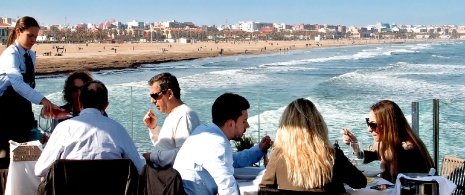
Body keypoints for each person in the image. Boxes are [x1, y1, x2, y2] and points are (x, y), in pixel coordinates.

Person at [35, 80, 145, 176]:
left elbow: (40, 170)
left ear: (80, 102)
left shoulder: (63, 128)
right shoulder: (118, 129)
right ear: (106, 105)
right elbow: (140, 168)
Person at [259, 98, 366, 193]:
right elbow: (360, 182)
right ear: (318, 125)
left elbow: (265, 189)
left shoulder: (278, 156)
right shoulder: (333, 155)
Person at [174, 92, 268, 194]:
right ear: (230, 124)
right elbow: (227, 188)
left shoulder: (205, 131)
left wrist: (259, 150)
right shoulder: (217, 144)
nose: (247, 125)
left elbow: (232, 160)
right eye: (244, 121)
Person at [0, 16, 61, 158]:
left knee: (27, 152)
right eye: (30, 36)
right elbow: (18, 84)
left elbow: (29, 85)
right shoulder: (10, 54)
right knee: (6, 154)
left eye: (35, 36)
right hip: (4, 111)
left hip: (23, 109)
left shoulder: (31, 55)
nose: (33, 40)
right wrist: (43, 100)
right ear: (18, 32)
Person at [341, 100, 434, 182]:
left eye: (373, 125)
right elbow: (367, 156)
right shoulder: (387, 143)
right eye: (368, 123)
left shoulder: (407, 151)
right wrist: (354, 144)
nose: (369, 129)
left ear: (388, 125)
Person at [142, 72, 201, 168]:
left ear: (169, 93)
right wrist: (154, 128)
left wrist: (151, 157)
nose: (152, 101)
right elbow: (165, 147)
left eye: (155, 96)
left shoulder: (184, 115)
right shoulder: (175, 114)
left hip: (178, 180)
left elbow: (183, 154)